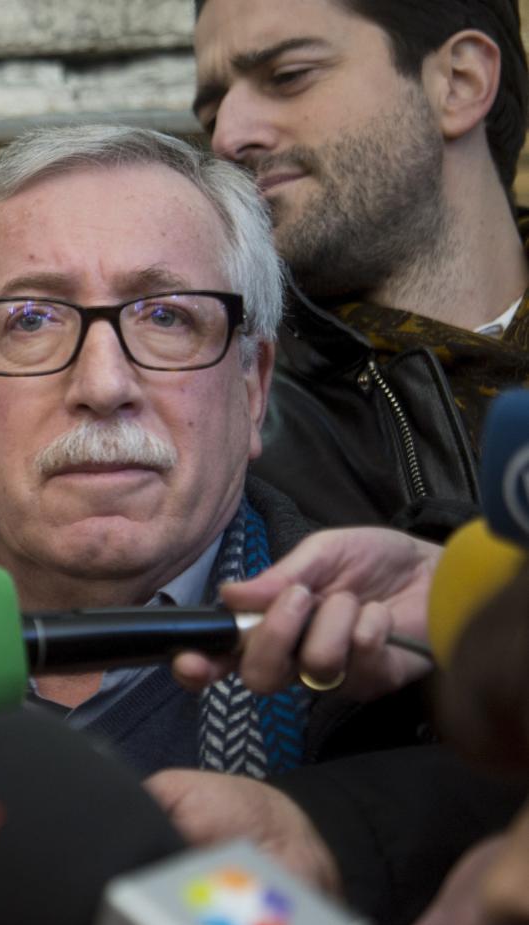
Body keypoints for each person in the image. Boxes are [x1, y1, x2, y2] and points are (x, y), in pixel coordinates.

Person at [0, 122, 435, 779]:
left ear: (252, 386)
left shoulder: (407, 682)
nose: (104, 386)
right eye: (31, 320)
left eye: (166, 317)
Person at [192, 0, 529, 535]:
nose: (226, 137)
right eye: (211, 116)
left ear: (459, 82)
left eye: (288, 76)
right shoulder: (224, 426)